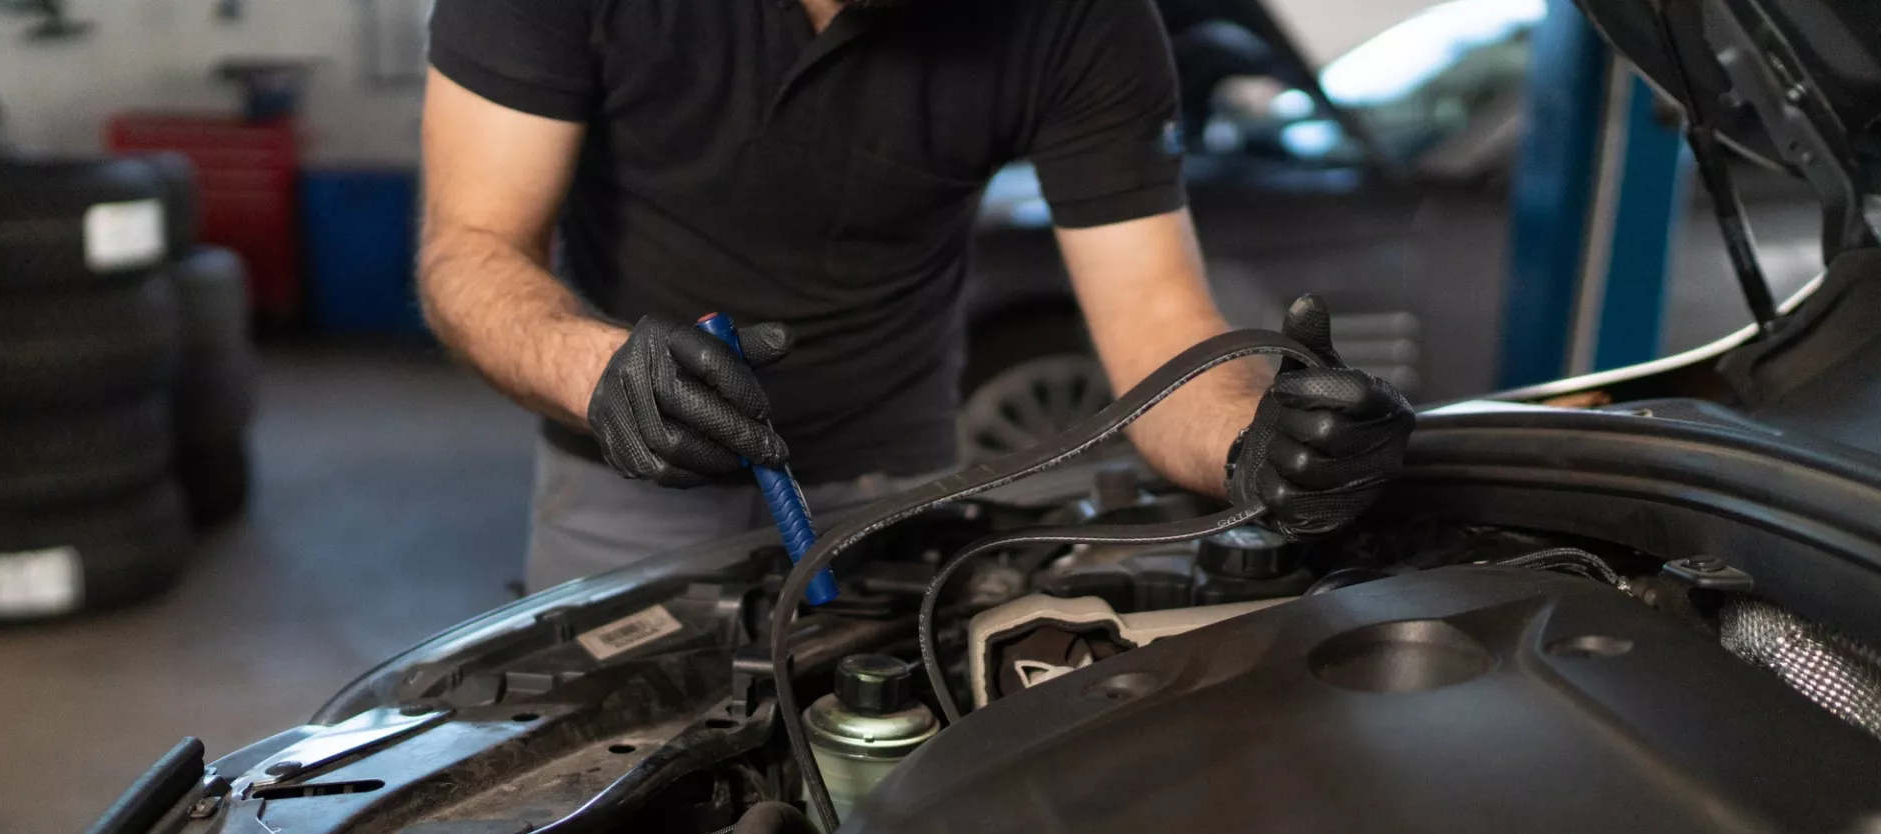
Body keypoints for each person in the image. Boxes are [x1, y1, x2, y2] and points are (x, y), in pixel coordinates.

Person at [419, 0, 1414, 591]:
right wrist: (596, 369)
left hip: (895, 488)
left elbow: (1158, 321)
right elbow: (469, 248)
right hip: (623, 486)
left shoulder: (1079, 18)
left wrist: (1256, 446)